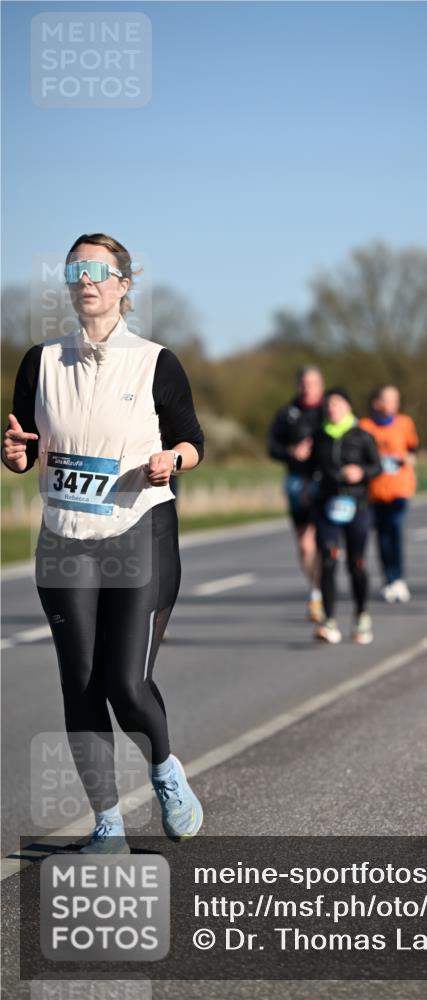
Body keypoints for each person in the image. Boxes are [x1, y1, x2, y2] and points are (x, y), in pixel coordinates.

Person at [2, 234, 205, 853]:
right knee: (82, 683)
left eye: (97, 269)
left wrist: (173, 459)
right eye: (74, 271)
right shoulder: (40, 362)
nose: (85, 279)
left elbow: (192, 442)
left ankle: (165, 771)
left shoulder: (154, 361)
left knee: (125, 682)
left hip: (138, 530)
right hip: (65, 540)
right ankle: (108, 825)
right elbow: (22, 449)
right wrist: (14, 456)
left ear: (123, 283)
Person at [310, 387, 382, 644]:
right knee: (328, 560)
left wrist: (361, 472)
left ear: (348, 407)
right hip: (327, 506)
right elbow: (309, 467)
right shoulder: (319, 436)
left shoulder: (362, 436)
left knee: (356, 563)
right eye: (328, 404)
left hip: (357, 506)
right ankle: (328, 620)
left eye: (337, 403)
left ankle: (361, 615)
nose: (332, 408)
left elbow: (377, 466)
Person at [268, 366, 325, 622]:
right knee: (305, 544)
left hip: (326, 482)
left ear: (321, 386)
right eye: (303, 383)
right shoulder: (287, 413)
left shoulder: (331, 410)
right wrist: (291, 452)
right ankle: (317, 590)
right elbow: (272, 446)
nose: (307, 388)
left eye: (312, 383)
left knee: (326, 541)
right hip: (297, 482)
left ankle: (322, 590)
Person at [359, 385, 419, 602]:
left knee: (395, 529)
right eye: (388, 399)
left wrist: (407, 458)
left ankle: (399, 578)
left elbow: (413, 448)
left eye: (396, 399)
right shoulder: (365, 426)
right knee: (382, 535)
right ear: (376, 403)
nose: (393, 404)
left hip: (400, 487)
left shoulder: (405, 423)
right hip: (375, 490)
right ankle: (388, 579)